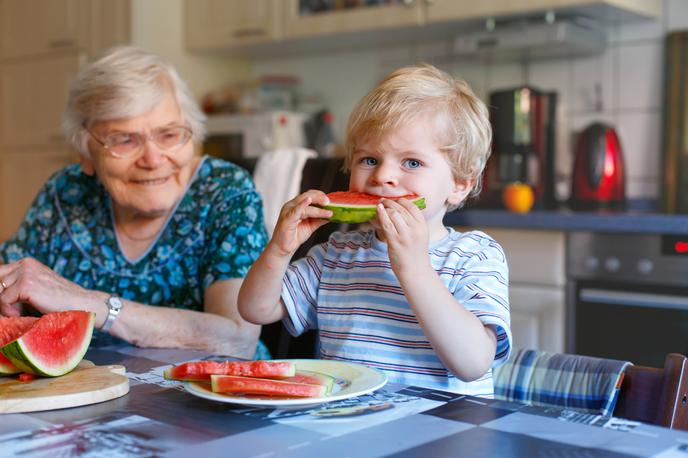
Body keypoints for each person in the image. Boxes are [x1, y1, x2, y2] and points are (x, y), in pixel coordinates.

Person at [238, 65, 512, 395]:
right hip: (349, 428)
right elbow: (255, 309)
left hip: (441, 435)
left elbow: (473, 363)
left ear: (459, 184)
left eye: (411, 162)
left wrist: (413, 268)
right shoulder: (337, 254)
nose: (382, 176)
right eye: (369, 159)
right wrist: (279, 250)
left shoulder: (474, 255)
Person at [0, 46, 270, 359]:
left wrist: (91, 304)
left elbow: (238, 338)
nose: (154, 160)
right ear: (85, 153)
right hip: (85, 395)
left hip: (212, 401)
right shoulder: (67, 191)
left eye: (169, 134)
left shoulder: (225, 191)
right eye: (124, 140)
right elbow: (11, 281)